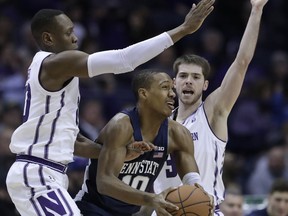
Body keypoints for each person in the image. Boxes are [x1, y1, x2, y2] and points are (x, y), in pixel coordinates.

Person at [5, 1, 215, 215]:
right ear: (49, 38)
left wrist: (124, 153)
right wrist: (183, 30)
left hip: (49, 173)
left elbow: (74, 142)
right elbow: (123, 59)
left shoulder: (57, 79)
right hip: (37, 174)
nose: (76, 38)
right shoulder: (55, 63)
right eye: (69, 33)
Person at [153, 0, 268, 215]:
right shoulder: (159, 124)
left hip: (203, 209)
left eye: (196, 77)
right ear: (173, 82)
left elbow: (241, 63)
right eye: (183, 76)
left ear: (205, 85)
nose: (189, 81)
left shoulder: (212, 112)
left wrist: (256, 10)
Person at [74, 70, 213, 215]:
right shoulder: (122, 126)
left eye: (172, 89)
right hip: (92, 208)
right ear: (144, 94)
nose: (172, 94)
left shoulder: (178, 134)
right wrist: (152, 199)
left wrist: (201, 196)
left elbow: (192, 180)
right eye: (165, 87)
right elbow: (104, 183)